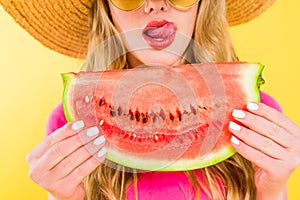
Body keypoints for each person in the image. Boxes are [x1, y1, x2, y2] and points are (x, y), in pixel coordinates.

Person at [1, 0, 299, 199]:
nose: (156, 3)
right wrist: (64, 197)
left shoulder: (255, 116)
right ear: (106, 9)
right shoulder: (70, 124)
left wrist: (273, 188)